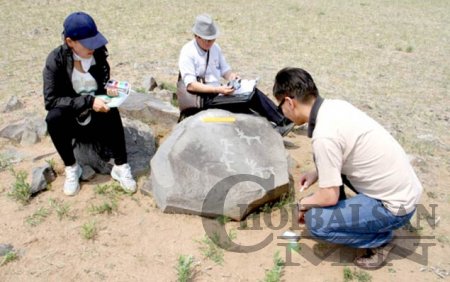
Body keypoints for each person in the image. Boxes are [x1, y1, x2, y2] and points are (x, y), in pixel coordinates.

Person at [273, 67, 422, 269]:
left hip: (395, 207)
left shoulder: (324, 135)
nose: (283, 112)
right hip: (406, 191)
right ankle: (358, 219)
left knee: (316, 222)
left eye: (281, 106)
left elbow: (329, 196)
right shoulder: (335, 107)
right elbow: (344, 151)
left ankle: (380, 238)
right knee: (330, 186)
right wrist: (317, 172)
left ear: (289, 102)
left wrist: (303, 204)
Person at [43, 12, 136, 196]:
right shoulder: (56, 60)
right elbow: (51, 100)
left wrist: (110, 91)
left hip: (97, 119)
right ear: (70, 42)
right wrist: (89, 101)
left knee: (113, 110)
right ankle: (72, 167)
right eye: (88, 43)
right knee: (53, 118)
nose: (94, 47)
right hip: (72, 122)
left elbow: (102, 83)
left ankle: (120, 165)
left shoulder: (98, 53)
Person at [178, 14, 293, 136]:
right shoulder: (187, 52)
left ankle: (278, 122)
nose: (210, 42)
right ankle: (281, 121)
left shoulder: (215, 48)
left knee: (249, 93)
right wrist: (218, 89)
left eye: (213, 39)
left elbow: (225, 71)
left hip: (218, 91)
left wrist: (232, 77)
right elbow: (191, 85)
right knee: (250, 98)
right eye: (207, 40)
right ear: (197, 36)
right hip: (202, 99)